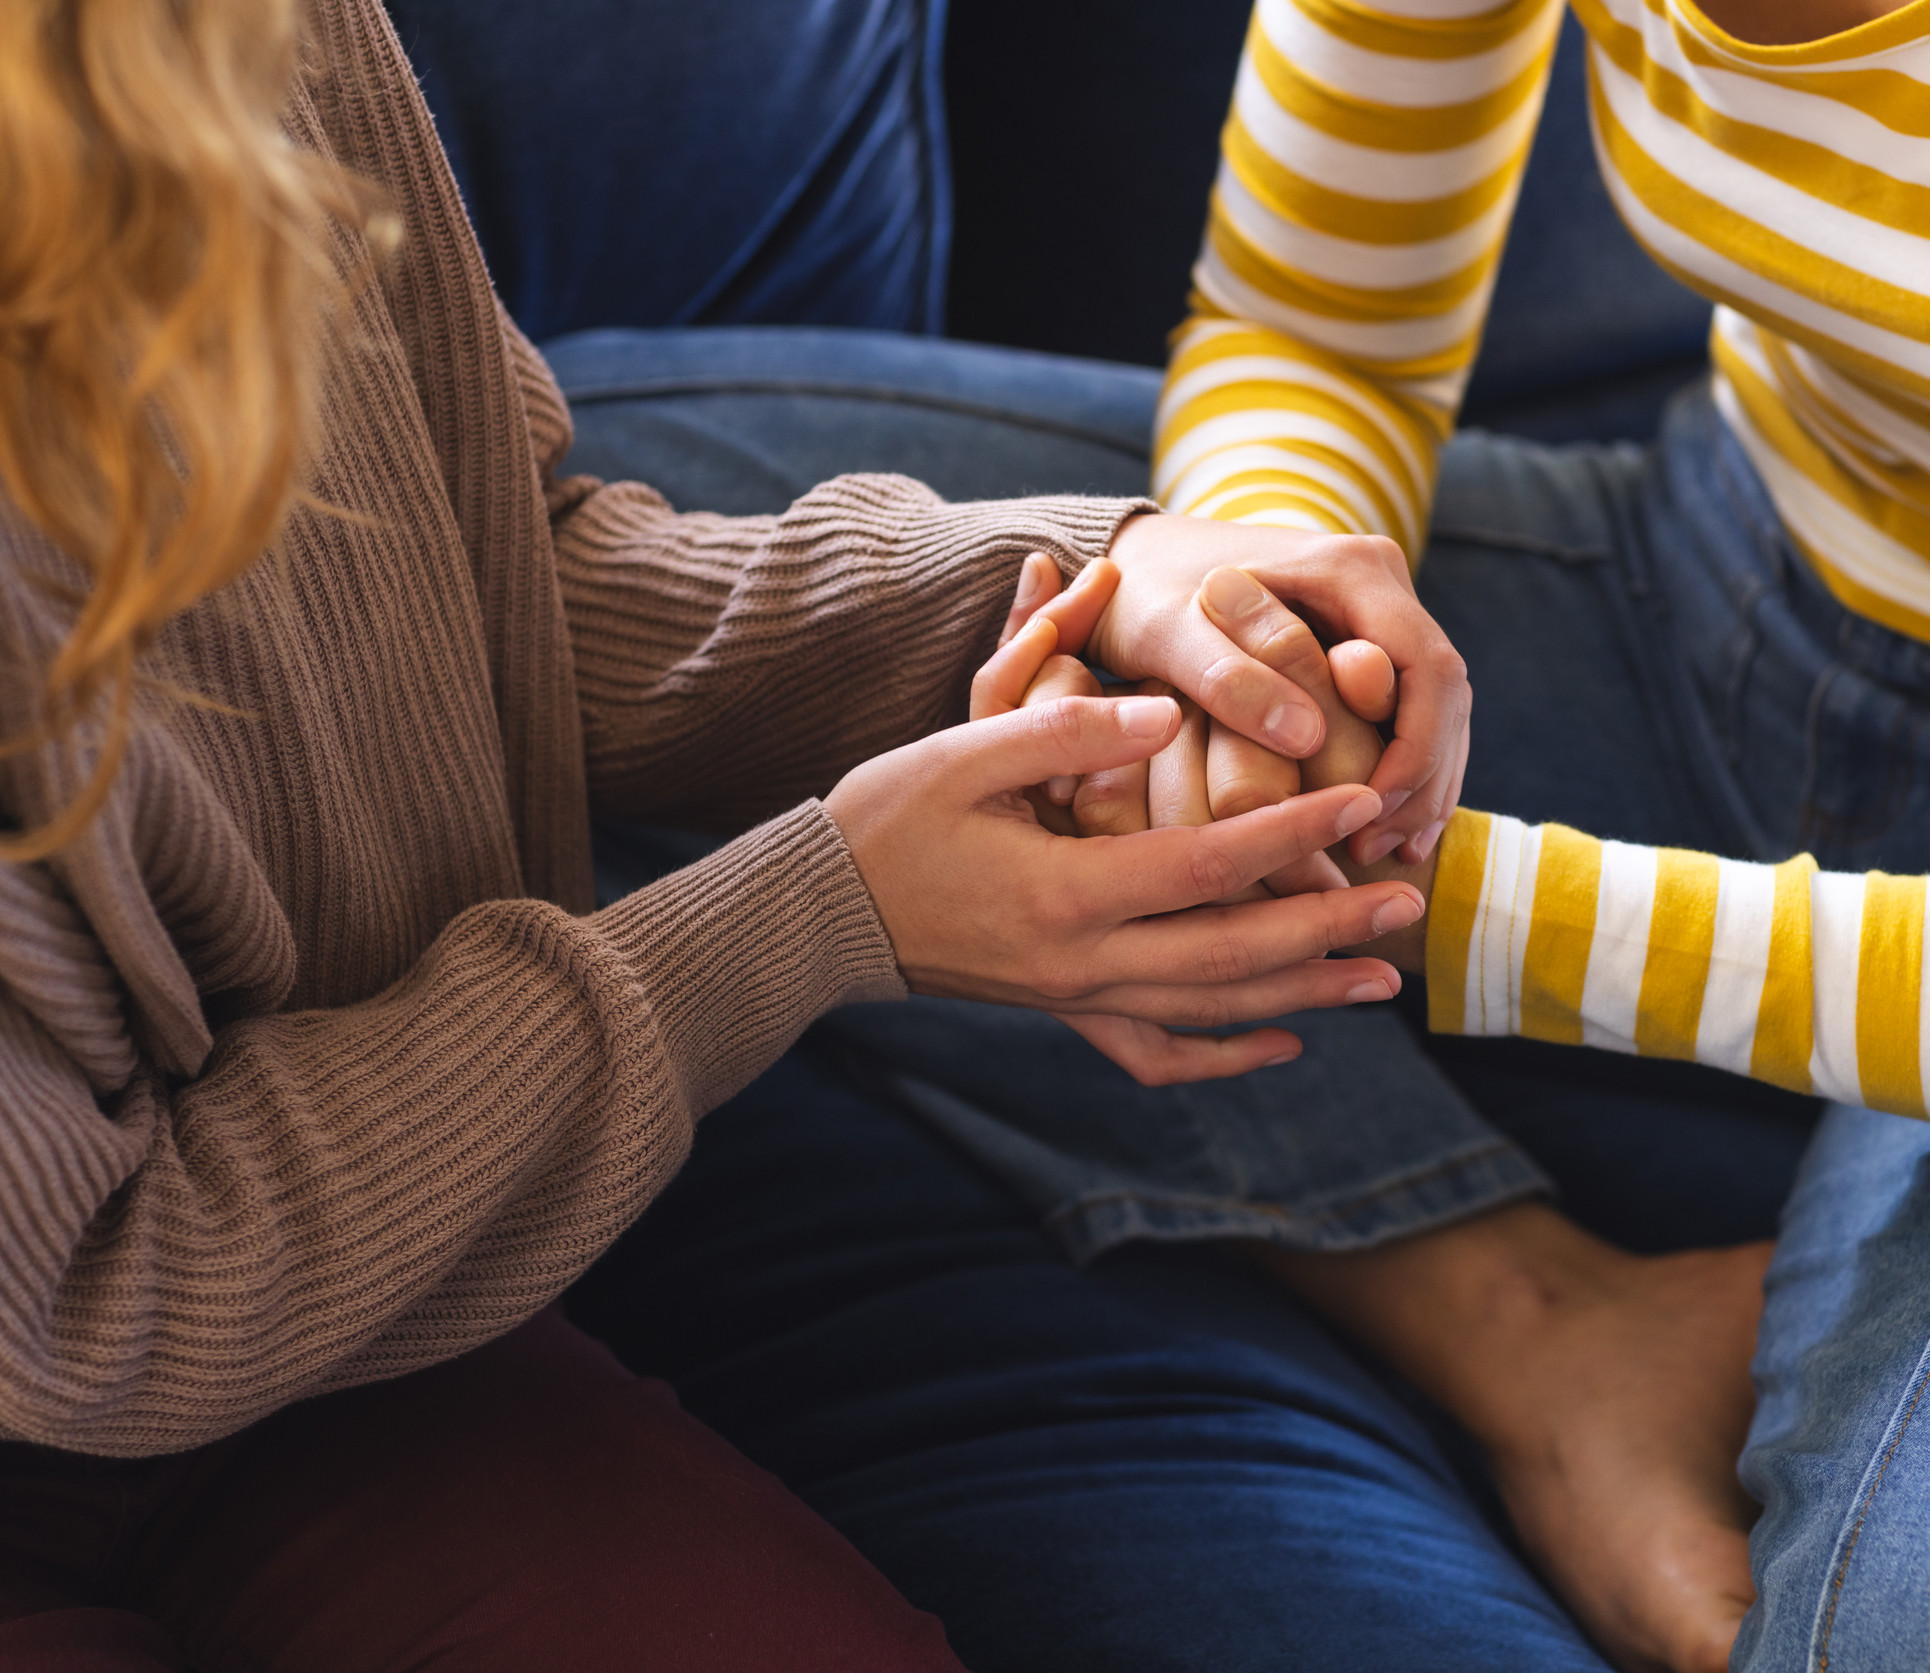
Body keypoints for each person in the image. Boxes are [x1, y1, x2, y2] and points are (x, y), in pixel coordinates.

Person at [739, 0, 1930, 1668]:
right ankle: (1530, 1320)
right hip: (1722, 597)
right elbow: (1315, 321)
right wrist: (1263, 608)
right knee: (583, 576)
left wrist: (1424, 893)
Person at [0, 0, 1476, 1664]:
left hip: (366, 1320)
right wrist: (817, 915)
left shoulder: (263, 41)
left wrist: (1093, 585)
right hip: (113, 1321)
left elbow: (491, 584)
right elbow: (94, 1293)